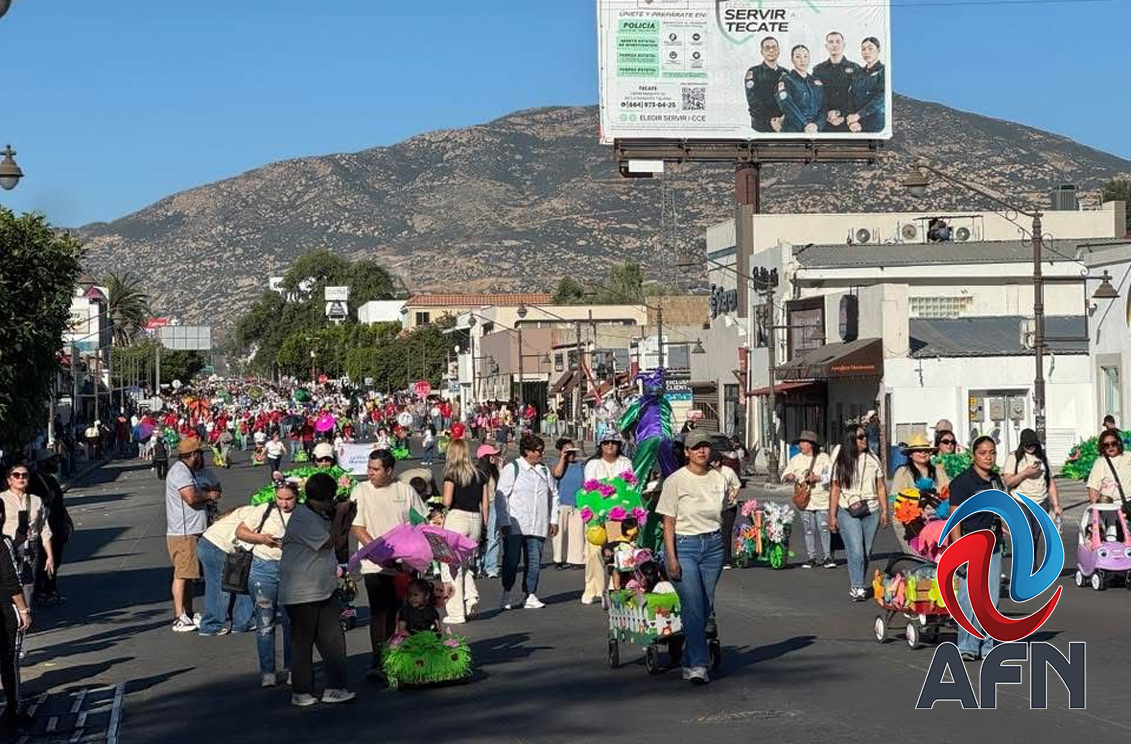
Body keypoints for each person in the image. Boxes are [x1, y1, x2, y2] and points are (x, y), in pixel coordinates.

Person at [656, 431, 727, 685]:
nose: (701, 451)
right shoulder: (675, 481)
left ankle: (688, 658)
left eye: (705, 446)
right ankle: (699, 664)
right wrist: (671, 557)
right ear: (687, 452)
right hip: (684, 546)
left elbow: (722, 512)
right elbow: (668, 522)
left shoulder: (719, 479)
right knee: (694, 604)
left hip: (713, 546)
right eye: (696, 447)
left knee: (705, 604)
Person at [351, 449, 427, 680]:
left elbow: (420, 521)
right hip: (375, 563)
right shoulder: (361, 490)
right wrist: (378, 551)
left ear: (389, 470)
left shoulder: (404, 490)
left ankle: (403, 657)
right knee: (379, 612)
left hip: (403, 564)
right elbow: (358, 527)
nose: (370, 473)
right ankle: (378, 661)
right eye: (369, 468)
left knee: (401, 611)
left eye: (376, 469)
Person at [281, 473, 355, 706]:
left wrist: (347, 518)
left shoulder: (319, 515)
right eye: (330, 500)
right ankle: (301, 691)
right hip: (301, 589)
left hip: (324, 587)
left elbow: (339, 542)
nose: (332, 504)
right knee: (303, 643)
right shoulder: (303, 516)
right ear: (323, 498)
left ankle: (335, 688)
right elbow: (327, 542)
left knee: (333, 639)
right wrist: (340, 514)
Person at [948, 436, 1005, 662]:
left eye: (992, 452)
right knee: (969, 597)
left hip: (994, 543)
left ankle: (987, 644)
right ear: (974, 455)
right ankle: (967, 645)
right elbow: (955, 517)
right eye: (983, 453)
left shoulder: (996, 480)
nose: (988, 457)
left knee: (991, 597)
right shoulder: (962, 482)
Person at [237, 481, 295, 687]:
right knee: (265, 622)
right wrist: (261, 538)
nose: (284, 503)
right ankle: (268, 671)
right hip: (263, 569)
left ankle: (293, 668)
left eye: (289, 499)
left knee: (292, 623)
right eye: (280, 498)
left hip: (292, 570)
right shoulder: (264, 510)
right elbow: (240, 531)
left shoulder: (302, 514)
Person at [495, 433, 560, 611]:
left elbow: (554, 494)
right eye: (538, 450)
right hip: (516, 525)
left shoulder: (544, 471)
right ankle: (507, 592)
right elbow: (501, 497)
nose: (541, 454)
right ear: (527, 451)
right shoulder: (513, 468)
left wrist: (553, 519)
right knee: (512, 560)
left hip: (537, 524)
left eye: (542, 450)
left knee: (534, 562)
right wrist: (504, 521)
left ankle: (530, 594)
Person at [165, 437, 221, 632]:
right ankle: (179, 616)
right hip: (184, 531)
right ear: (193, 454)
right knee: (182, 574)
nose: (202, 457)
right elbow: (190, 497)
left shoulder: (187, 471)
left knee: (189, 574)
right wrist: (209, 495)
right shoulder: (180, 472)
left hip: (191, 529)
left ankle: (188, 613)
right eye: (200, 453)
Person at [829, 425, 888, 601]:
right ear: (851, 440)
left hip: (871, 510)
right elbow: (835, 489)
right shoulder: (841, 461)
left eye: (865, 436)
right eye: (860, 437)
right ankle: (857, 586)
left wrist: (885, 510)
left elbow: (880, 486)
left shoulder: (873, 459)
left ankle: (859, 581)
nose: (865, 439)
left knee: (866, 551)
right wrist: (832, 516)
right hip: (847, 509)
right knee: (856, 549)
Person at [440, 439, 489, 624]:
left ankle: (456, 612)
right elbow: (485, 504)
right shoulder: (480, 475)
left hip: (457, 518)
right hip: (475, 519)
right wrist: (484, 526)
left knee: (450, 566)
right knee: (465, 563)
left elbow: (447, 501)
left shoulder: (451, 474)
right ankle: (470, 596)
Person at [582, 432, 634, 600]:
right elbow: (591, 488)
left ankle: (616, 587)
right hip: (597, 514)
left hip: (621, 515)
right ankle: (593, 589)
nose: (610, 446)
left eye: (614, 442)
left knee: (622, 551)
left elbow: (629, 487)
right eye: (606, 443)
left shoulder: (625, 462)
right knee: (594, 552)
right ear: (600, 445)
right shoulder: (593, 464)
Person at [1003, 428, 1062, 567]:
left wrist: (1056, 504)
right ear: (1022, 444)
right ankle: (1027, 567)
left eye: (1033, 444)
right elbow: (1008, 481)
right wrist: (1025, 473)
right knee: (1026, 537)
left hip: (1041, 502)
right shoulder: (1014, 458)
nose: (1031, 447)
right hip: (1021, 501)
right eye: (1028, 445)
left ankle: (1031, 564)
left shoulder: (1042, 458)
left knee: (1035, 536)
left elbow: (1050, 482)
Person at [195, 503, 256, 637]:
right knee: (222, 587)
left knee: (233, 583)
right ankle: (212, 625)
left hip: (209, 542)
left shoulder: (249, 509)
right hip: (219, 545)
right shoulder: (261, 514)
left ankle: (240, 622)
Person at [1, 464, 55, 606]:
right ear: (9, 480)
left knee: (28, 583)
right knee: (9, 582)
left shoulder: (36, 500)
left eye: (24, 475)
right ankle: (13, 613)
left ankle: (26, 613)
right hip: (9, 547)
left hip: (31, 547)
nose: (21, 478)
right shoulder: (2, 499)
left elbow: (44, 528)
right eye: (16, 475)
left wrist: (50, 556)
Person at [0, 507, 33, 730]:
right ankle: (13, 709)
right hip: (5, 609)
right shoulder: (2, 543)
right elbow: (12, 579)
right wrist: (24, 610)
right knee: (9, 660)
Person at [782, 431, 834, 569]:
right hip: (804, 500)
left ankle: (828, 556)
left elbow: (831, 475)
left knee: (824, 528)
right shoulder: (796, 459)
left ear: (812, 445)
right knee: (808, 530)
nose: (801, 445)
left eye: (804, 442)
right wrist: (789, 476)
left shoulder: (823, 458)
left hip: (822, 499)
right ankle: (811, 557)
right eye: (800, 442)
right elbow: (785, 475)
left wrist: (817, 478)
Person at [890, 433, 950, 554]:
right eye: (918, 450)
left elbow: (949, 492)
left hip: (937, 521)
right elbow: (895, 500)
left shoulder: (938, 470)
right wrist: (917, 512)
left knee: (939, 557)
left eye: (926, 450)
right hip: (910, 523)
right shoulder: (903, 472)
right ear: (910, 454)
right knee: (920, 556)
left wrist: (940, 510)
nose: (923, 453)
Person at [29, 449, 71, 602]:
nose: (56, 463)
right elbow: (33, 504)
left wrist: (67, 519)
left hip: (57, 525)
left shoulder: (50, 479)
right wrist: (47, 499)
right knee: (45, 559)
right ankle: (44, 590)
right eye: (52, 460)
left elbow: (59, 503)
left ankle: (49, 589)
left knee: (55, 558)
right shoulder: (35, 480)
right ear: (43, 463)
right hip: (46, 527)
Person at [550, 438, 586, 573]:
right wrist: (562, 458)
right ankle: (558, 559)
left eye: (572, 451)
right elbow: (557, 474)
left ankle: (576, 559)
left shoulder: (581, 466)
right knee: (559, 534)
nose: (571, 454)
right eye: (568, 451)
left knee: (577, 534)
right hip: (561, 503)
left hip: (577, 504)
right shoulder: (555, 463)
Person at [812, 31, 860, 132]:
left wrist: (841, 113)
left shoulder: (855, 68)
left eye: (838, 41)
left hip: (849, 122)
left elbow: (858, 96)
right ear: (826, 46)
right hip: (824, 121)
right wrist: (827, 114)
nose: (834, 45)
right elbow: (815, 96)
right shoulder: (818, 70)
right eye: (831, 42)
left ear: (844, 45)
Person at [777, 44, 824, 134]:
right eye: (798, 57)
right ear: (792, 60)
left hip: (814, 130)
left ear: (809, 58)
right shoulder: (786, 80)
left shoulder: (816, 82)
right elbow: (786, 104)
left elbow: (824, 107)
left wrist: (817, 125)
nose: (802, 60)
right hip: (793, 130)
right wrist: (805, 124)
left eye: (805, 56)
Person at [708, 451, 742, 570]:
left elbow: (737, 485)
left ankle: (726, 560)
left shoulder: (728, 472)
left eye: (711, 462)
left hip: (728, 508)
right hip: (713, 509)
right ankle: (713, 558)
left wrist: (733, 496)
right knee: (713, 533)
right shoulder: (707, 473)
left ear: (717, 462)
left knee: (725, 534)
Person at [744, 36, 785, 132]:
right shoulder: (754, 72)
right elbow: (753, 101)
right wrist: (771, 120)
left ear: (778, 50)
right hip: (762, 125)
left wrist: (782, 119)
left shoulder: (786, 73)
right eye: (767, 48)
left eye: (774, 47)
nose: (771, 50)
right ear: (762, 52)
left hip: (783, 124)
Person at [845, 37, 885, 133]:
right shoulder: (858, 73)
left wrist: (859, 115)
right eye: (863, 49)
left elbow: (881, 97)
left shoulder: (883, 71)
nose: (866, 52)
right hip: (855, 122)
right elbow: (851, 95)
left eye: (870, 48)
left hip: (875, 122)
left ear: (878, 50)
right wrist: (851, 119)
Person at [477, 444, 502, 579]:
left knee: (493, 536)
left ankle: (491, 566)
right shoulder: (478, 473)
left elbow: (502, 488)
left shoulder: (495, 471)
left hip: (493, 505)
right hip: (479, 506)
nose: (495, 457)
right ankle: (478, 565)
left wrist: (500, 468)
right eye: (492, 455)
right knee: (479, 536)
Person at [1086, 430, 1131, 505]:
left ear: (1118, 443)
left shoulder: (1128, 456)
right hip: (1110, 505)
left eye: (1113, 443)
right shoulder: (1100, 462)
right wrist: (1095, 506)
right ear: (1103, 447)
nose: (1110, 447)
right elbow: (1093, 487)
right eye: (1106, 445)